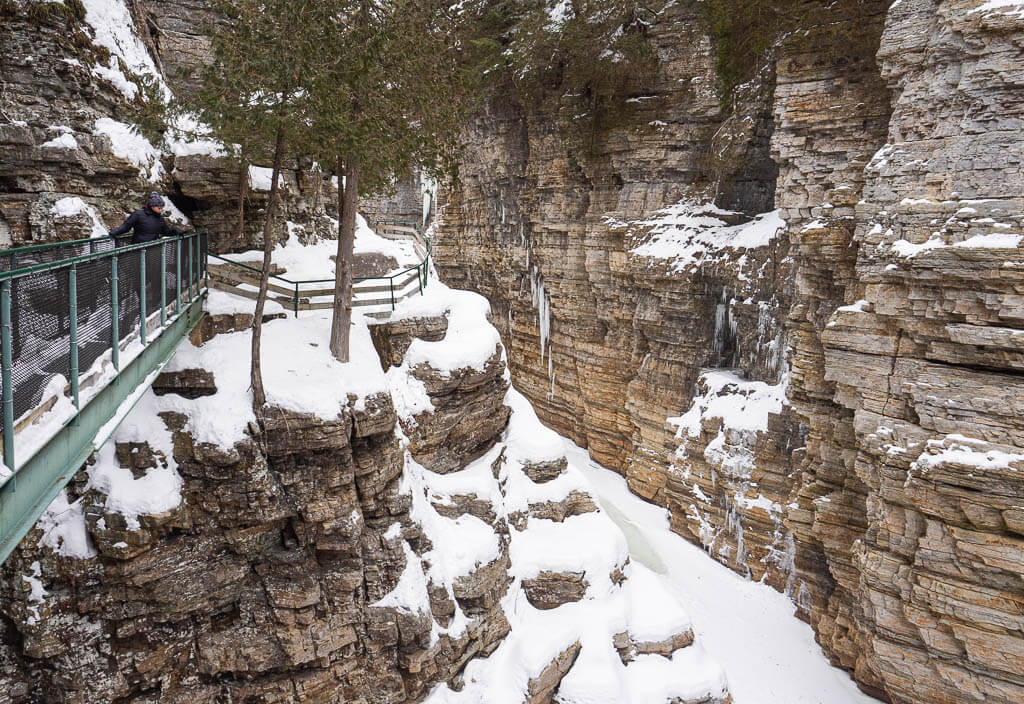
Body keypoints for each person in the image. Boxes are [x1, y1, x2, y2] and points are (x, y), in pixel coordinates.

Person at [109, 192, 184, 244]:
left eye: (162, 208)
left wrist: (174, 230)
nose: (161, 210)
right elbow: (125, 227)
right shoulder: (138, 215)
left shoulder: (160, 218)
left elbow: (165, 231)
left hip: (153, 249)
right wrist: (113, 233)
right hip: (138, 249)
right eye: (159, 208)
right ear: (152, 206)